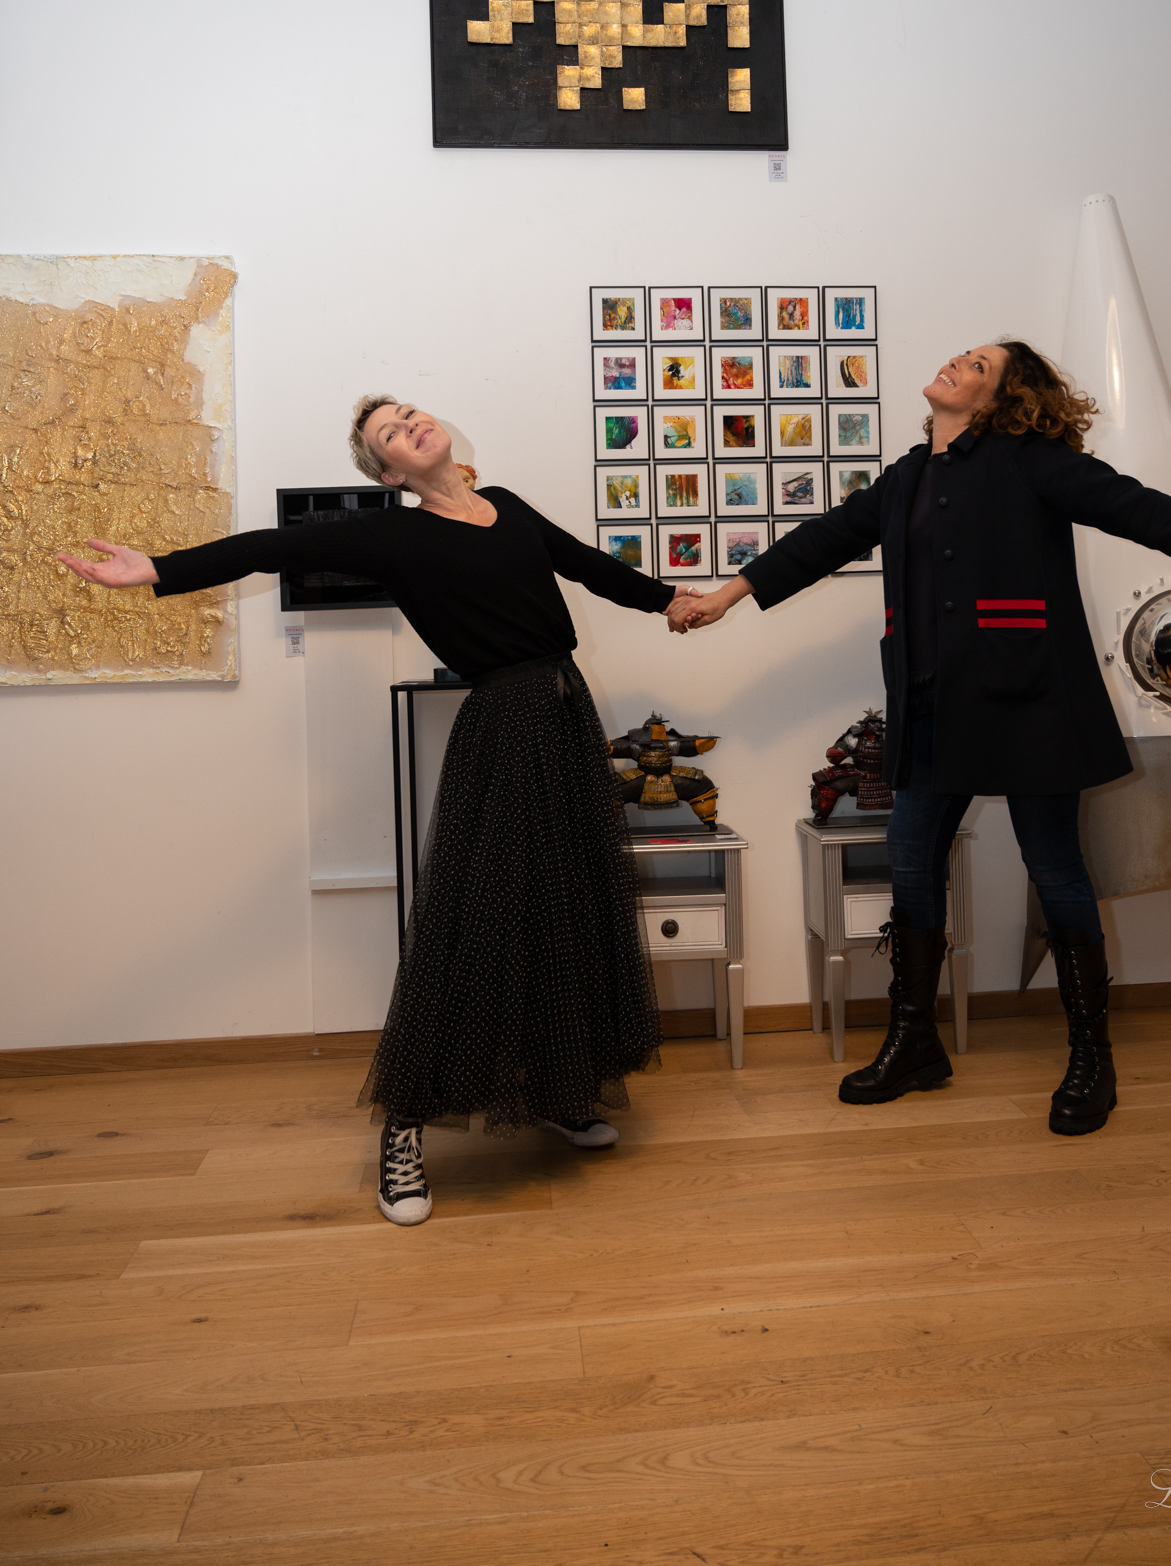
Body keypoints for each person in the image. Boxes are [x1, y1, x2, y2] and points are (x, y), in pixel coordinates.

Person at [59, 396, 695, 1224]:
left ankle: (556, 1090)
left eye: (409, 412)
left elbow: (587, 566)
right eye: (389, 433)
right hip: (503, 729)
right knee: (476, 924)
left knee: (564, 905)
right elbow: (272, 548)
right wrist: (157, 568)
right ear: (389, 472)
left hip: (564, 714)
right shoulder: (390, 533)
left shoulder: (506, 506)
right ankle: (404, 1131)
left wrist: (673, 600)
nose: (409, 425)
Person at [668, 341, 1171, 1136]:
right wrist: (725, 596)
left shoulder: (1033, 462)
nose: (957, 363)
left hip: (1030, 701)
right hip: (931, 703)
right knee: (912, 861)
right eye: (962, 355)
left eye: (978, 366)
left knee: (1054, 867)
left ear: (1000, 400)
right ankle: (915, 1041)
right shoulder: (904, 477)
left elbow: (1135, 506)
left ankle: (1091, 1056)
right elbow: (822, 539)